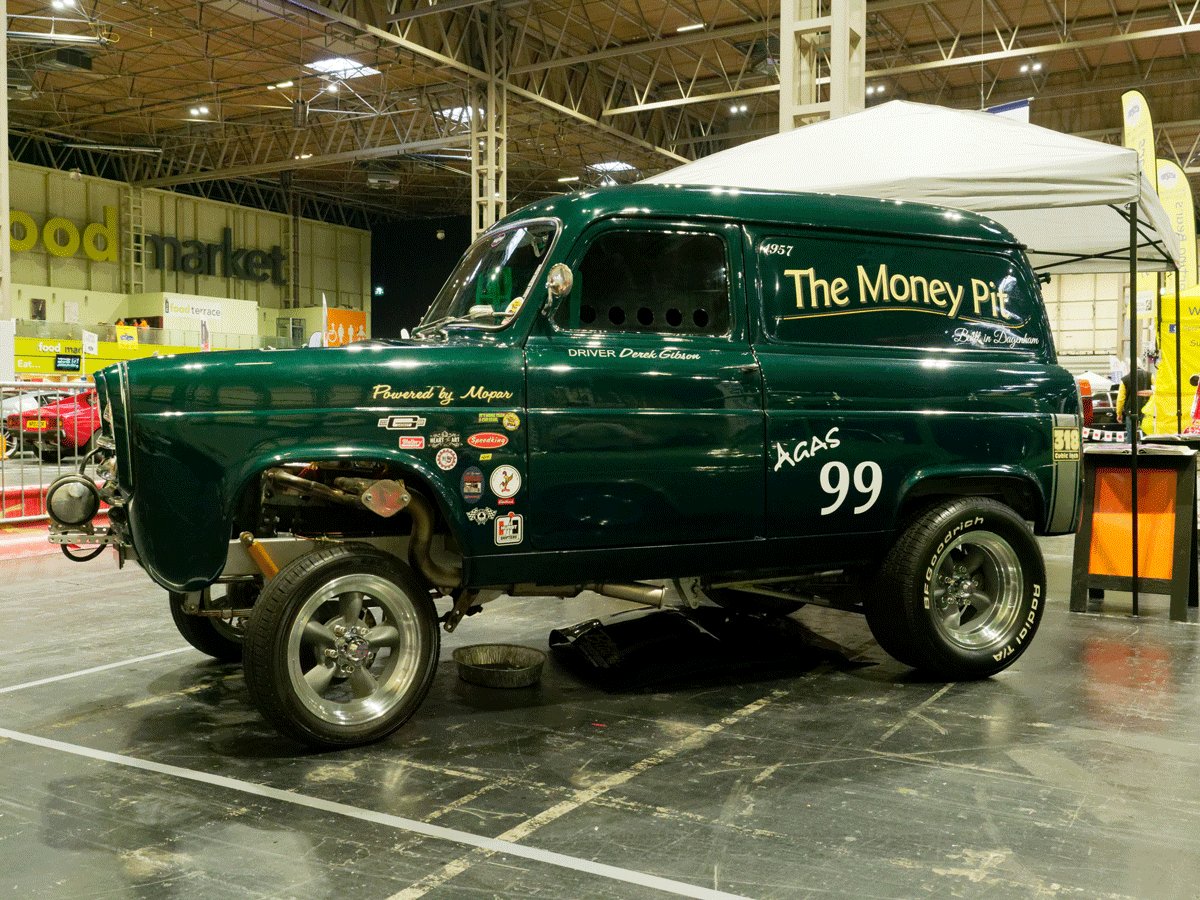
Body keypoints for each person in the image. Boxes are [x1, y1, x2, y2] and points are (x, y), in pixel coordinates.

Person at [1116, 365, 1152, 437]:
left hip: (1130, 411)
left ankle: (1131, 447)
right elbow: (1156, 391)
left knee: (1131, 436)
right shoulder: (1150, 376)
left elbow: (1120, 399)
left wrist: (1119, 413)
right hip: (1147, 411)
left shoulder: (1125, 379)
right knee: (1147, 434)